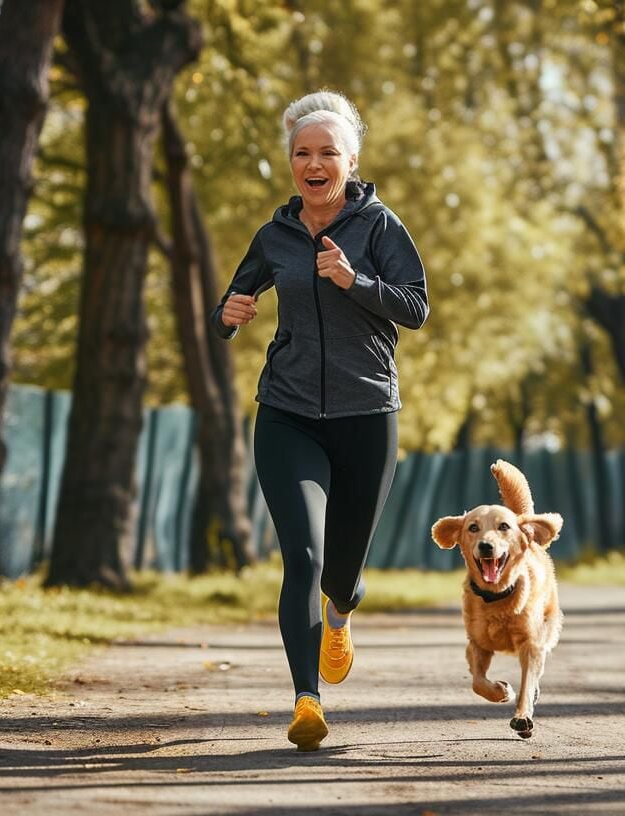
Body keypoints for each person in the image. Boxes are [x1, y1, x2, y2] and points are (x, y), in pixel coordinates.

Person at [210, 90, 430, 751]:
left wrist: (354, 279)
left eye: (327, 152)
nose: (314, 162)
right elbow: (231, 304)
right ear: (290, 162)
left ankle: (342, 612)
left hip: (368, 415)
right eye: (303, 152)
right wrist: (225, 316)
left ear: (351, 160)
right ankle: (307, 699)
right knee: (301, 557)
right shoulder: (273, 236)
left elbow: (415, 307)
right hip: (288, 413)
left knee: (340, 574)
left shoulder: (381, 227)